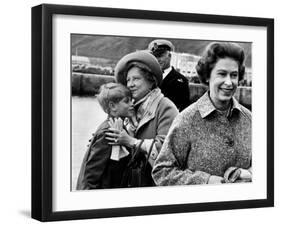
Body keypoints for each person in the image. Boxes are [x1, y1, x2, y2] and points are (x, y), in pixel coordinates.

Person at [152, 42, 252, 185]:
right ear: (207, 77)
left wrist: (248, 174)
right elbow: (162, 172)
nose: (229, 82)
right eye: (222, 74)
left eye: (234, 75)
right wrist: (206, 181)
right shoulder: (186, 119)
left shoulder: (250, 120)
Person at [106, 50, 178, 187]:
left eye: (136, 79)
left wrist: (131, 141)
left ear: (151, 81)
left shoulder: (166, 107)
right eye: (128, 80)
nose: (130, 84)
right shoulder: (128, 108)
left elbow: (166, 150)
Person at [76, 83, 135, 189]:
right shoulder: (108, 132)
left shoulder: (119, 128)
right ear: (113, 106)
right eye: (127, 101)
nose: (132, 104)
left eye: (131, 100)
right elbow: (91, 173)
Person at [148, 39, 190, 111]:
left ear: (169, 56)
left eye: (160, 56)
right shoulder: (148, 78)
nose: (158, 60)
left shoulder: (181, 81)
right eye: (155, 56)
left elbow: (183, 109)